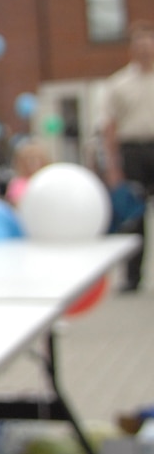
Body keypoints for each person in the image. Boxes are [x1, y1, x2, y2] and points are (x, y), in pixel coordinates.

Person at [102, 22, 154, 290]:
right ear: (133, 48)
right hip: (133, 152)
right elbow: (109, 128)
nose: (145, 48)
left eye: (149, 42)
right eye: (140, 43)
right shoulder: (119, 84)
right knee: (134, 218)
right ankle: (133, 277)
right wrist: (113, 167)